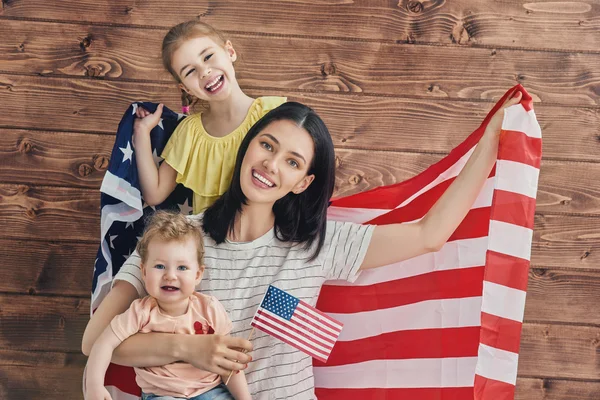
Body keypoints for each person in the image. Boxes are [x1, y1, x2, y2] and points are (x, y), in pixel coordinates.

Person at [83, 92, 523, 399]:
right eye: (266, 146)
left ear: (303, 182)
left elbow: (430, 234)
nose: (270, 165)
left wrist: (490, 141)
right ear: (246, 147)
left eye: (291, 161)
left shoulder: (319, 244)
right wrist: (189, 348)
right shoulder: (177, 238)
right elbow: (94, 341)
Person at [84, 211, 251, 400]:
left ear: (197, 275)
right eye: (160, 266)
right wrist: (94, 385)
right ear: (144, 272)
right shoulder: (140, 313)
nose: (170, 276)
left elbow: (229, 361)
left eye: (182, 268)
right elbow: (103, 344)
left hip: (210, 391)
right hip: (162, 394)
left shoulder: (209, 309)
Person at [133, 20, 285, 214]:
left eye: (208, 57)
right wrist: (142, 132)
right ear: (185, 88)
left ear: (229, 52)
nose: (205, 72)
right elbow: (154, 194)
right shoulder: (190, 133)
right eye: (190, 71)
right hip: (212, 242)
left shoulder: (275, 114)